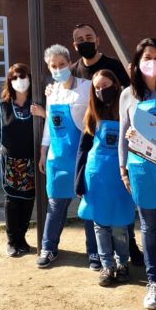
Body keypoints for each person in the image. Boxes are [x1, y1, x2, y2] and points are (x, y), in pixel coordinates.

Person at [70, 22, 143, 267]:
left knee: (122, 216)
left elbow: (134, 92)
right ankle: (97, 256)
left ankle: (128, 251)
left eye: (89, 37)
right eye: (80, 39)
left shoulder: (113, 66)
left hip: (120, 166)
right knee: (97, 217)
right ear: (75, 44)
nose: (85, 42)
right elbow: (83, 146)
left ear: (98, 39)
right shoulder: (74, 71)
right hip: (96, 161)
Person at [120, 37, 156, 310]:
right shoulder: (128, 94)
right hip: (140, 168)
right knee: (148, 226)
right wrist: (123, 169)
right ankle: (154, 282)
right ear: (137, 63)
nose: (151, 63)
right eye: (146, 58)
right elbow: (123, 136)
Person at [35, 44, 93, 268]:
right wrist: (43, 151)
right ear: (49, 68)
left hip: (82, 157)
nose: (58, 69)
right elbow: (50, 125)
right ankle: (48, 248)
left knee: (88, 205)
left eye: (62, 64)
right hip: (57, 158)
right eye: (53, 66)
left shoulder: (86, 87)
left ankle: (94, 252)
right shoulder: (52, 92)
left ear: (70, 63)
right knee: (55, 205)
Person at [75, 70, 135, 286]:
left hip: (120, 177)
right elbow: (83, 149)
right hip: (97, 177)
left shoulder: (127, 109)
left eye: (105, 85)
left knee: (120, 224)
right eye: (97, 88)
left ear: (116, 85)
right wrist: (78, 180)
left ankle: (122, 263)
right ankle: (107, 266)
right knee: (100, 224)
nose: (101, 91)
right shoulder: (93, 112)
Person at [0, 62, 35, 257]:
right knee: (12, 200)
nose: (19, 80)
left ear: (29, 78)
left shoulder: (37, 103)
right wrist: (9, 146)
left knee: (28, 200)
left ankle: (22, 238)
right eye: (14, 77)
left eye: (22, 76)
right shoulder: (3, 105)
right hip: (11, 162)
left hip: (32, 161)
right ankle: (12, 240)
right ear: (9, 81)